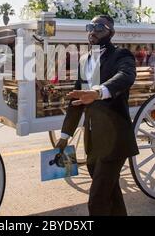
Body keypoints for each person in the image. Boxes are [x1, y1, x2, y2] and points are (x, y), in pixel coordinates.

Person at [56, 15, 139, 216]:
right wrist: (65, 136)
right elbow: (76, 102)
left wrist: (98, 92)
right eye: (90, 27)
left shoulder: (121, 55)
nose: (92, 31)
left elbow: (126, 76)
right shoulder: (84, 59)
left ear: (111, 32)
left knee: (97, 201)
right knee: (111, 193)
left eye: (99, 27)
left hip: (115, 138)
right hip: (92, 139)